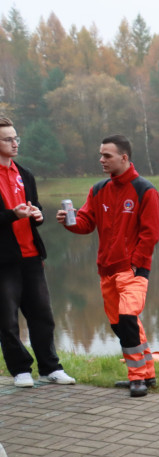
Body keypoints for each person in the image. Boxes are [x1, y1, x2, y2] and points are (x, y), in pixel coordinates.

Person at [56, 134, 159, 397]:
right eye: (101, 155)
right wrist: (69, 221)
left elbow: (151, 234)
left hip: (133, 269)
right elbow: (86, 224)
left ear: (124, 158)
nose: (101, 160)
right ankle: (147, 374)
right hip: (106, 269)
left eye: (107, 155)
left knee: (127, 318)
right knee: (120, 323)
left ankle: (136, 378)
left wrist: (136, 265)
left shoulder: (145, 190)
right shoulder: (98, 189)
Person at [0, 116, 75, 388]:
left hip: (32, 256)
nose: (15, 142)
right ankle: (20, 369)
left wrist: (37, 215)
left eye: (15, 137)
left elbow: (36, 206)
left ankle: (50, 368)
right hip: (4, 261)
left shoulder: (25, 174)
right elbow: (7, 215)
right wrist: (11, 215)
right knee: (7, 320)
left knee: (43, 315)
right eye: (8, 139)